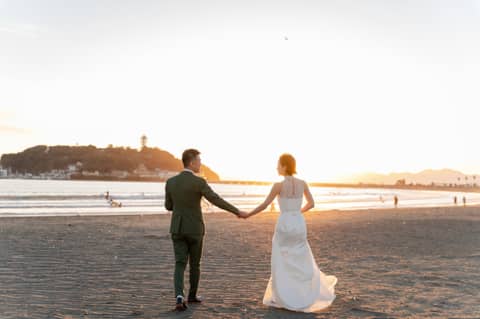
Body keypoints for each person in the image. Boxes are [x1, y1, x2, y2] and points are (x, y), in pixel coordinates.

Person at [245, 153, 337, 312]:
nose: (276, 167)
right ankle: (301, 293)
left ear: (285, 166)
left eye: (278, 164)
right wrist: (297, 212)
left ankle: (283, 295)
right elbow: (312, 203)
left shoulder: (277, 185)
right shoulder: (303, 183)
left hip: (285, 223)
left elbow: (265, 205)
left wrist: (248, 214)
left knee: (282, 257)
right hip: (298, 222)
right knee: (300, 257)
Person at [165, 149, 249, 311]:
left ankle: (178, 296)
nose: (200, 163)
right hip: (195, 229)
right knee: (195, 264)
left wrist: (181, 205)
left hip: (177, 227)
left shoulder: (171, 182)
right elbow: (216, 200)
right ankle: (192, 296)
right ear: (191, 162)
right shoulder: (199, 182)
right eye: (198, 161)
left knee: (180, 263)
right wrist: (237, 211)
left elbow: (168, 206)